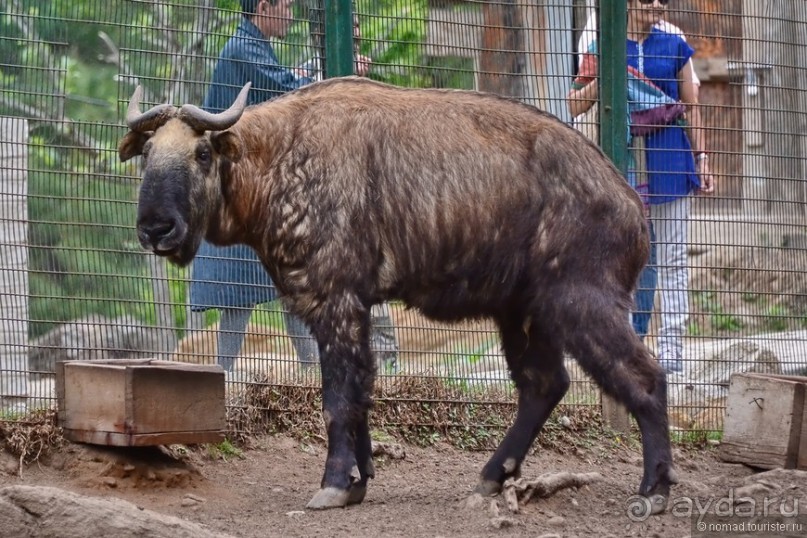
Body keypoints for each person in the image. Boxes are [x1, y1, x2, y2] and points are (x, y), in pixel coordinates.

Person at [190, 0, 399, 373]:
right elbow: (286, 91)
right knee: (246, 293)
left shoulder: (251, 45)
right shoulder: (243, 48)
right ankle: (227, 377)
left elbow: (282, 84)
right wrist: (341, 79)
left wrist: (326, 75)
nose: (289, 13)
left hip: (247, 192)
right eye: (285, 5)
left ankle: (306, 373)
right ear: (265, 6)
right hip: (233, 191)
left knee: (278, 287)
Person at [567, 0, 715, 373]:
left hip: (669, 160)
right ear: (628, 3)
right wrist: (607, 77)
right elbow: (573, 106)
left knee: (673, 259)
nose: (656, 4)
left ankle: (672, 354)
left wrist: (702, 157)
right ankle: (622, 346)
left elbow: (691, 105)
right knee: (621, 258)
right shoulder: (604, 47)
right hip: (623, 168)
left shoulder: (676, 46)